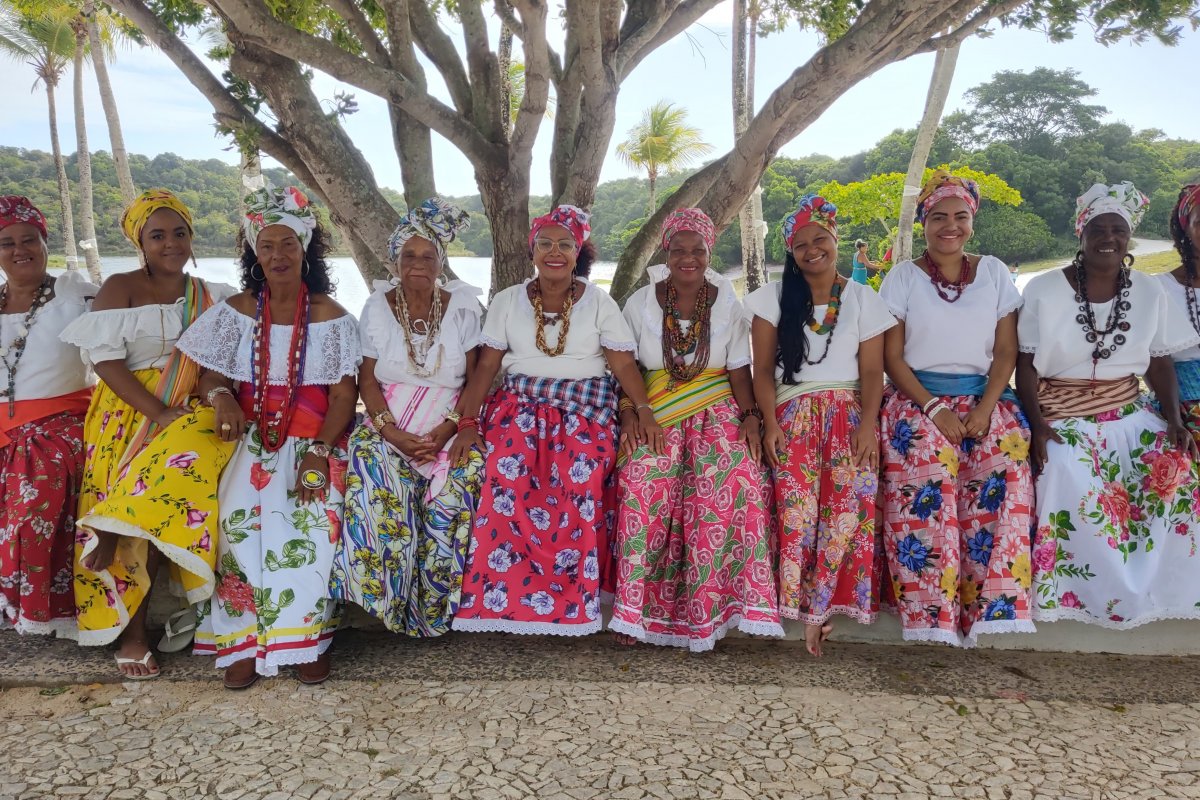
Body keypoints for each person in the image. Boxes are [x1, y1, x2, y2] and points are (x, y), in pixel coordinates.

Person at [178, 183, 360, 688]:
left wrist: (320, 453)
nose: (278, 255)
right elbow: (206, 375)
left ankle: (308, 642)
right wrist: (223, 397)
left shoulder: (331, 316)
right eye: (267, 246)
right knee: (237, 537)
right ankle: (240, 644)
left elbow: (344, 396)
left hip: (311, 441)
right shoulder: (236, 310)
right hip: (246, 444)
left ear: (306, 252)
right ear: (254, 254)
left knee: (312, 536)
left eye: (288, 245)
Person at [449, 205, 659, 636]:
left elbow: (621, 366)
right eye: (545, 243)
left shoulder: (598, 301)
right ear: (533, 250)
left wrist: (644, 411)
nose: (554, 252)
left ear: (578, 251)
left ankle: (575, 605)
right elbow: (487, 368)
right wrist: (467, 422)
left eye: (565, 244)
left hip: (585, 411)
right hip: (519, 406)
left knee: (579, 479)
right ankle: (501, 602)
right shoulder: (509, 300)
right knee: (501, 476)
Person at [61, 189, 234, 678]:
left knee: (160, 508)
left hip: (186, 406)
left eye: (179, 233)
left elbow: (210, 365)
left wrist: (216, 395)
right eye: (158, 235)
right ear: (141, 242)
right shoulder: (121, 287)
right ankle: (134, 636)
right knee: (145, 504)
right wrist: (157, 413)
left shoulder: (208, 295)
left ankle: (113, 524)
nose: (171, 243)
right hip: (128, 412)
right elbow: (106, 362)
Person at [1018, 182, 1200, 629]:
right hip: (1061, 410)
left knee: (1175, 464)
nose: (1108, 238)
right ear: (1080, 235)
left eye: (1118, 230)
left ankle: (1162, 590)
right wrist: (1039, 426)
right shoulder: (1043, 288)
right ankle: (1074, 592)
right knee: (1060, 467)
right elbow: (1024, 366)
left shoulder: (1147, 290)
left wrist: (1174, 420)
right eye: (1098, 228)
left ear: (1128, 238)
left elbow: (1157, 361)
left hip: (1126, 409)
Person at [609, 208, 781, 651]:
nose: (689, 258)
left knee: (738, 478)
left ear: (710, 253)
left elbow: (739, 370)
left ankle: (715, 612)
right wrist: (630, 411)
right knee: (640, 483)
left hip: (715, 406)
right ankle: (636, 613)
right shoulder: (641, 302)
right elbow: (624, 365)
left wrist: (749, 417)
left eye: (698, 250)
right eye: (679, 249)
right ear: (666, 252)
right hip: (655, 409)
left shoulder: (727, 301)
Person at [878, 170, 1035, 647]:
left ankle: (993, 608)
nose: (951, 226)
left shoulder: (992, 272)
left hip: (985, 397)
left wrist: (987, 408)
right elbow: (892, 357)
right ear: (924, 221)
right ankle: (932, 615)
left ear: (972, 220)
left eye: (961, 216)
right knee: (929, 468)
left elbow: (1005, 352)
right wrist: (932, 410)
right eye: (939, 216)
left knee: (1006, 460)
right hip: (917, 400)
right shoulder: (903, 276)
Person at [747, 195, 896, 656]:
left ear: (835, 241)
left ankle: (825, 613)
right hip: (792, 416)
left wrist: (867, 427)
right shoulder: (772, 298)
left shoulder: (861, 298)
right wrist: (770, 423)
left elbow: (873, 372)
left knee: (843, 519)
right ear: (790, 252)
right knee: (795, 516)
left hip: (848, 418)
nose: (812, 250)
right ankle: (797, 609)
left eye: (821, 240)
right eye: (800, 245)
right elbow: (762, 371)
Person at [330, 198, 485, 636]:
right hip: (388, 425)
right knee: (375, 478)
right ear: (395, 261)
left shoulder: (461, 306)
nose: (418, 264)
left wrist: (451, 428)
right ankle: (387, 606)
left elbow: (476, 377)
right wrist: (390, 432)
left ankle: (433, 613)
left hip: (450, 423)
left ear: (441, 262)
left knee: (461, 483)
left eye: (428, 256)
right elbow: (366, 378)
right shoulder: (377, 307)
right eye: (408, 256)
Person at [0, 196, 96, 636]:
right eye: (6, 243)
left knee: (36, 486)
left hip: (59, 429)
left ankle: (49, 612)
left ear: (43, 242)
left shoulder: (74, 296)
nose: (20, 250)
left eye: (29, 239)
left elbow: (127, 345)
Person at [1160, 184, 1200, 437]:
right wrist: (1174, 416)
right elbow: (1157, 360)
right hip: (1187, 409)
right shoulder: (1161, 288)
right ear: (1186, 227)